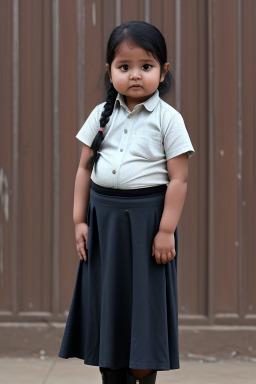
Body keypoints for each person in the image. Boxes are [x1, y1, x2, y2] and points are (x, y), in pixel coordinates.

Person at [58, 20, 195, 384]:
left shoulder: (169, 120)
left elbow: (179, 179)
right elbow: (84, 170)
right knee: (109, 315)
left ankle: (143, 373)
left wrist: (166, 230)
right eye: (124, 66)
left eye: (146, 66)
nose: (135, 75)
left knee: (143, 318)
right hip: (105, 226)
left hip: (148, 227)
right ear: (110, 70)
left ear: (163, 71)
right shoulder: (100, 118)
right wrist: (79, 221)